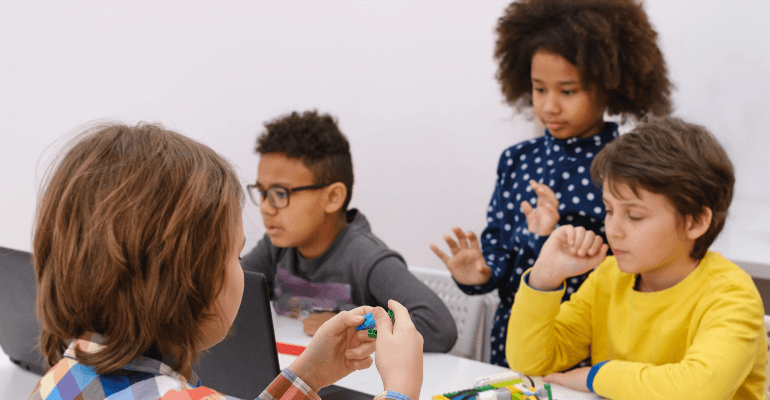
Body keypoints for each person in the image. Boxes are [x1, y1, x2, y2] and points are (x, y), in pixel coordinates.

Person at [29, 123, 424, 400]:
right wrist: (400, 389)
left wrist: (308, 376)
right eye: (234, 256)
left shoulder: (58, 381)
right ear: (190, 279)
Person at [430, 0, 672, 366]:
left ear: (609, 84)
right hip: (515, 338)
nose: (550, 106)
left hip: (590, 341)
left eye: (568, 91)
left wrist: (553, 234)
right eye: (539, 89)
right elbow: (499, 249)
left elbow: (634, 262)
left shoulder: (627, 165)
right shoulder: (516, 160)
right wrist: (480, 272)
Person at [507, 117, 766, 399]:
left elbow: (697, 390)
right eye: (608, 210)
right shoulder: (609, 277)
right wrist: (543, 279)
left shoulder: (732, 295)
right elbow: (531, 363)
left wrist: (596, 376)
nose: (613, 230)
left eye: (634, 215)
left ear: (695, 221)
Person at [241, 110, 457, 352]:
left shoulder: (364, 256)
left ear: (333, 197)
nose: (265, 207)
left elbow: (438, 327)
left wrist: (356, 328)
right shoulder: (276, 247)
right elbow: (225, 293)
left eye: (280, 193)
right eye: (262, 192)